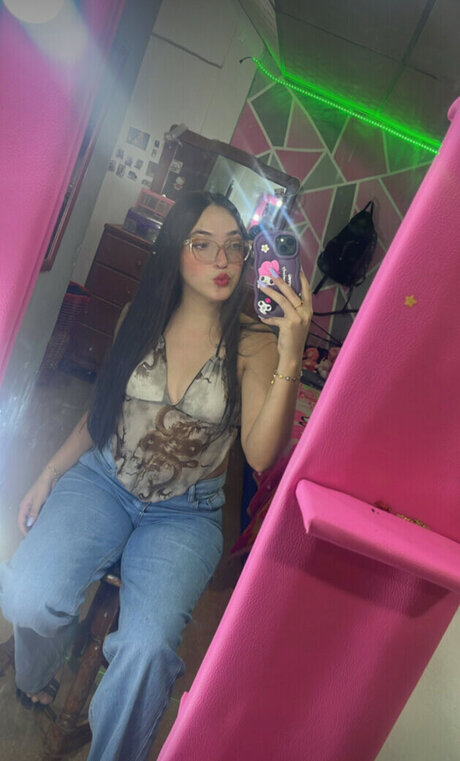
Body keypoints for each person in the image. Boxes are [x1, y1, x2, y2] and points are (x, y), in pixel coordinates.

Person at [0, 191, 312, 761]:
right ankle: (39, 669)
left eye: (234, 247)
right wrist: (48, 474)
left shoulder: (254, 344)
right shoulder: (138, 318)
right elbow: (100, 413)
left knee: (146, 653)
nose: (222, 260)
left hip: (185, 515)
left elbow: (260, 455)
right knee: (27, 595)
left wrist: (291, 354)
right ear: (175, 250)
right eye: (203, 245)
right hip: (103, 480)